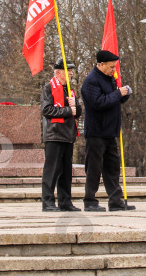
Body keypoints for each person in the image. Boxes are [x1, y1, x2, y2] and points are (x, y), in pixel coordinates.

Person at [81, 50, 134, 212]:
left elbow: (113, 99)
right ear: (101, 64)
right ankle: (90, 200)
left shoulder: (109, 78)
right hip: (96, 131)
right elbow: (98, 103)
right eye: (111, 67)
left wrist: (123, 94)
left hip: (110, 131)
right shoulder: (91, 81)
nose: (113, 70)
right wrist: (118, 93)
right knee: (94, 168)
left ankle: (115, 200)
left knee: (112, 167)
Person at [41, 58, 81, 212]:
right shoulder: (48, 88)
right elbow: (47, 110)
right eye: (68, 70)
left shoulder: (69, 90)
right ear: (58, 72)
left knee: (65, 172)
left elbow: (77, 113)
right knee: (51, 170)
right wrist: (68, 110)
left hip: (68, 135)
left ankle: (65, 202)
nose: (71, 73)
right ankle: (48, 202)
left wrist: (75, 106)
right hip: (54, 134)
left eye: (71, 70)